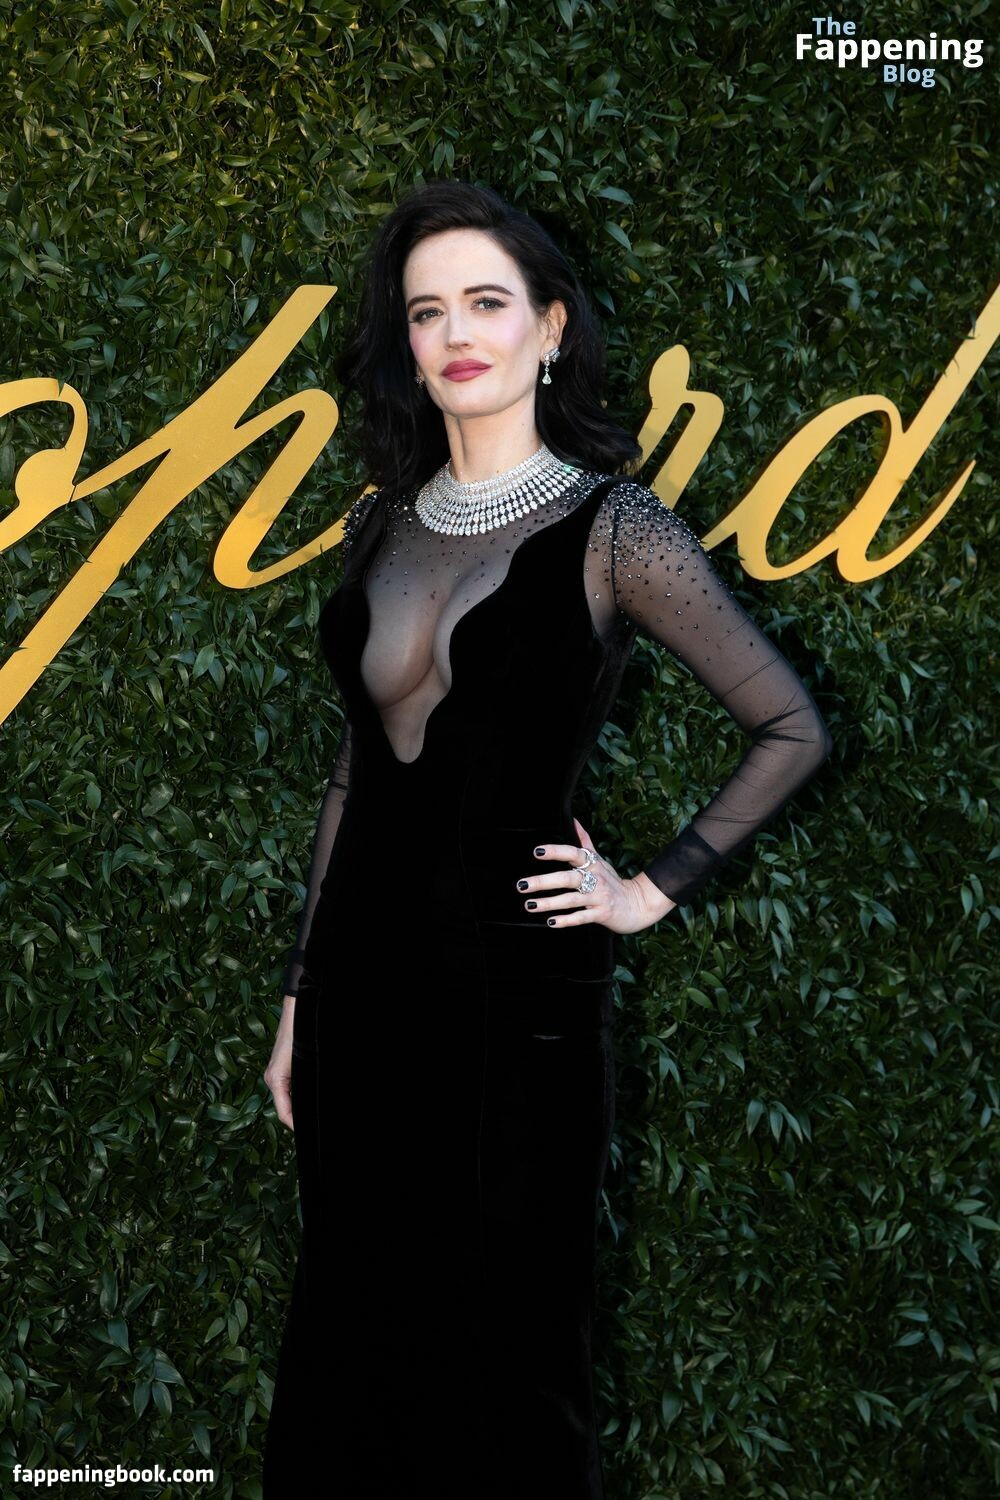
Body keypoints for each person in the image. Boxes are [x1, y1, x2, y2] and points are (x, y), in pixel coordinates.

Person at [261, 180, 833, 1498]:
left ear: (551, 327)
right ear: (407, 344)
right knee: (352, 1337)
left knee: (512, 1356)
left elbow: (790, 726)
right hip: (361, 1001)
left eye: (486, 302)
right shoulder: (377, 522)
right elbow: (354, 773)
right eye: (427, 312)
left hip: (517, 999)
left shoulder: (615, 529)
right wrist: (298, 1001)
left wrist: (648, 890)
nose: (456, 333)